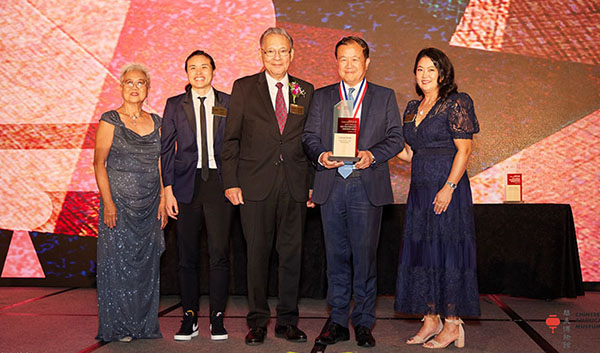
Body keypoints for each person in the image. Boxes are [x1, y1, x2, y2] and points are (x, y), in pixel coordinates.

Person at [302, 36, 404, 348]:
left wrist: (372, 154)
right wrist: (321, 155)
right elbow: (308, 136)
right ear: (336, 62)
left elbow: (396, 138)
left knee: (364, 258)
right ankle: (336, 322)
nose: (348, 65)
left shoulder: (384, 97)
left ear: (367, 63)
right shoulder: (322, 97)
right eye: (343, 59)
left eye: (355, 59)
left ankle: (362, 322)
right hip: (331, 185)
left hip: (366, 183)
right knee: (335, 259)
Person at [220, 27, 314, 346]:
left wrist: (313, 185)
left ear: (292, 54)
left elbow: (311, 142)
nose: (276, 57)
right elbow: (230, 139)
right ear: (260, 54)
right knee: (256, 256)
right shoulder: (244, 88)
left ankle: (288, 321)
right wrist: (230, 182)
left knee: (292, 256)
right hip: (253, 187)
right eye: (270, 51)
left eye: (282, 51)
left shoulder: (305, 90)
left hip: (295, 187)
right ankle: (257, 321)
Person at [394, 47, 481, 349]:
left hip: (448, 190)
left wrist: (449, 187)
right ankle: (431, 318)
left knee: (449, 254)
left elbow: (465, 150)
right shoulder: (410, 108)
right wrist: (379, 142)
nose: (425, 74)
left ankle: (453, 323)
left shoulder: (456, 102)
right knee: (424, 254)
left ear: (443, 73)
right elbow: (409, 153)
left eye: (431, 68)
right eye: (420, 69)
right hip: (420, 191)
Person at [161, 50, 235, 341]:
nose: (199, 72)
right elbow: (166, 149)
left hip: (220, 185)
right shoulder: (174, 105)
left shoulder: (228, 102)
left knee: (219, 255)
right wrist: (167, 190)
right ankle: (189, 317)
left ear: (214, 71)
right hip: (185, 186)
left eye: (204, 66)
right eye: (193, 67)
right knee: (186, 257)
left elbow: (236, 145)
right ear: (186, 73)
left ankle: (217, 318)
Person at [94, 63, 167, 342]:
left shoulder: (157, 121)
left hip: (149, 205)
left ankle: (142, 326)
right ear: (121, 87)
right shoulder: (110, 119)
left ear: (147, 89)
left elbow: (162, 164)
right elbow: (99, 163)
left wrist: (162, 199)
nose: (135, 87)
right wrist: (108, 203)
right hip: (119, 206)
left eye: (140, 83)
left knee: (146, 267)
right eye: (129, 82)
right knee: (119, 266)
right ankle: (121, 327)